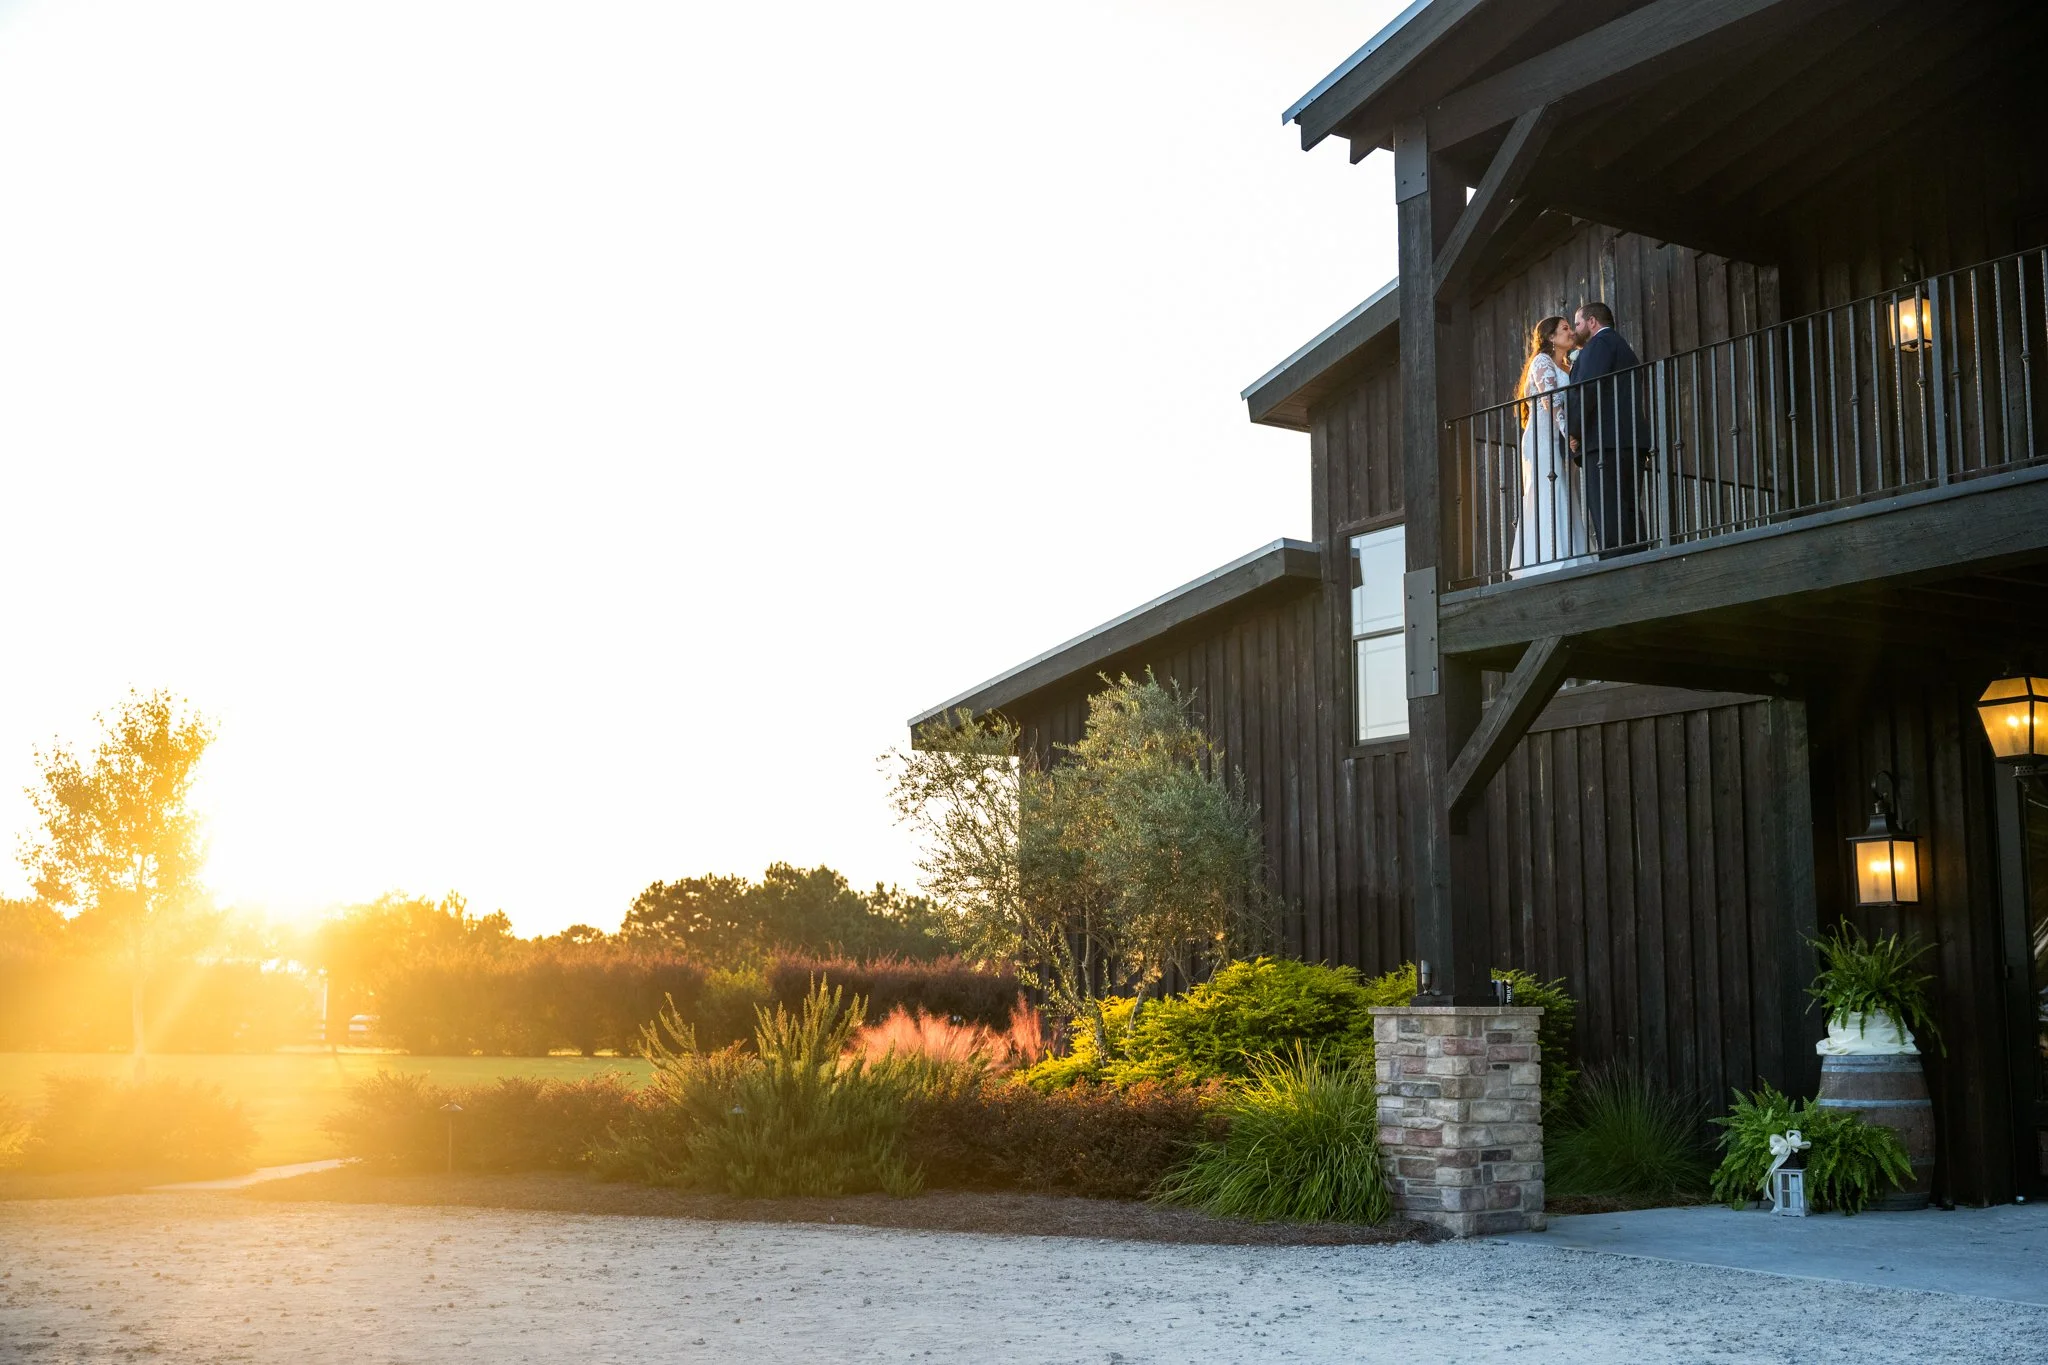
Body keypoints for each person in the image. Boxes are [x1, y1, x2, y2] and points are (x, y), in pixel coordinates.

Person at [1506, 315, 1594, 578]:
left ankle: (1570, 555)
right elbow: (1550, 400)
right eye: (1565, 329)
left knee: (1566, 491)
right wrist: (1568, 433)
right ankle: (1547, 559)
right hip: (1544, 439)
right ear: (1551, 338)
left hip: (1562, 439)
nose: (1570, 332)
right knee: (1547, 490)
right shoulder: (1541, 361)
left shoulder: (1568, 367)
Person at [1565, 300, 1652, 556]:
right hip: (1629, 441)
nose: (1575, 330)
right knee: (1627, 507)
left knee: (1607, 509)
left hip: (1605, 442)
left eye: (1578, 323)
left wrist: (1574, 430)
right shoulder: (1623, 348)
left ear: (1592, 322)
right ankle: (1637, 559)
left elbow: (1587, 389)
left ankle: (1615, 565)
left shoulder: (1599, 344)